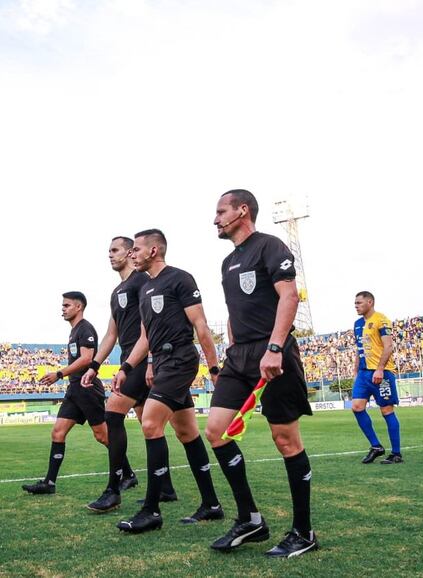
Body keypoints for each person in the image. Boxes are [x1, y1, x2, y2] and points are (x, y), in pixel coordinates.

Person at [206, 189, 317, 556]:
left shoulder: (270, 246)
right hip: (239, 356)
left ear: (242, 210)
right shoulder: (227, 262)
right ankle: (250, 519)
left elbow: (289, 296)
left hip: (273, 351)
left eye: (221, 211)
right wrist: (228, 354)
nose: (216, 218)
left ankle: (304, 532)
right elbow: (236, 311)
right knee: (216, 431)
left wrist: (274, 348)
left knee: (285, 440)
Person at [114, 229, 223, 533]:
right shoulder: (146, 290)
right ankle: (212, 504)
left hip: (180, 360)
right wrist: (127, 366)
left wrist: (214, 369)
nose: (132, 254)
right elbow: (146, 337)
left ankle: (151, 511)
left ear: (154, 250)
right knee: (187, 431)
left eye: (136, 249)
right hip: (160, 363)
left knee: (149, 423)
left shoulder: (180, 279)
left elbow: (200, 326)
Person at [82, 237, 178, 512]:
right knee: (153, 427)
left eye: (115, 250)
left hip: (142, 362)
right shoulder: (117, 291)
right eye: (108, 251)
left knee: (112, 414)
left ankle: (114, 488)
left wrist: (147, 361)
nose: (110, 255)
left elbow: (151, 322)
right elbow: (111, 334)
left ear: (129, 252)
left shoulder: (141, 281)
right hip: (129, 361)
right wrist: (95, 365)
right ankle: (166, 488)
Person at [22, 292, 108, 495]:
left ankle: (127, 474)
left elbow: (88, 359)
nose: (63, 309)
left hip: (87, 389)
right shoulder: (74, 331)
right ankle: (49, 483)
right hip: (74, 389)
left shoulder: (85, 328)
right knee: (58, 432)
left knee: (103, 437)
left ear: (79, 307)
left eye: (67, 305)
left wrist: (59, 373)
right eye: (63, 305)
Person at [351, 291, 403, 465]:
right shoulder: (357, 324)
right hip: (364, 373)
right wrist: (356, 371)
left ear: (370, 302)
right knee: (357, 407)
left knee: (386, 411)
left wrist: (380, 369)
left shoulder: (381, 319)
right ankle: (376, 446)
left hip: (382, 372)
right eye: (355, 303)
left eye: (359, 303)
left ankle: (396, 453)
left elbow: (388, 346)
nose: (356, 306)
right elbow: (360, 350)